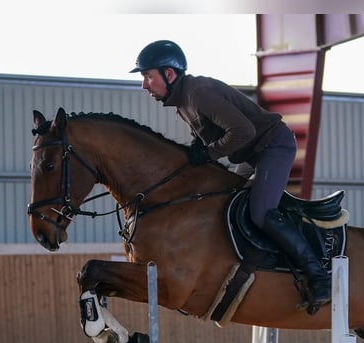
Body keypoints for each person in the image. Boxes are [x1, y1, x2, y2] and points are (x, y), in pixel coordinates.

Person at [131, 39, 331, 309]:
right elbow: (202, 138)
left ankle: (318, 275)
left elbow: (243, 132)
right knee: (229, 202)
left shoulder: (197, 93)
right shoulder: (182, 102)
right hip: (250, 154)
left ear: (169, 74)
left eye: (147, 76)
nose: (144, 85)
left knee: (260, 212)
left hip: (273, 146)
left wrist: (210, 154)